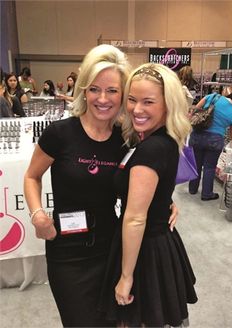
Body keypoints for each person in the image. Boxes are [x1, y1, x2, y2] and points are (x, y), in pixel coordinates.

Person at [23, 45, 178, 327]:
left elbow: (145, 182)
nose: (103, 99)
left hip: (111, 249)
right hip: (67, 252)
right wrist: (37, 214)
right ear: (84, 90)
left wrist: (166, 202)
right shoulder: (60, 134)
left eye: (112, 91)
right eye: (95, 89)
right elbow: (31, 176)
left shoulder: (128, 139)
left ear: (123, 95)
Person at [98, 63, 198, 327]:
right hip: (154, 243)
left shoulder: (151, 148)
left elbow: (135, 218)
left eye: (148, 102)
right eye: (131, 99)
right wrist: (166, 201)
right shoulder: (158, 139)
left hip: (145, 251)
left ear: (167, 104)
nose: (136, 109)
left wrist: (126, 276)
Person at [189, 92, 232, 200]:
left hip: (197, 136)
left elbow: (195, 110)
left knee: (196, 164)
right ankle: (206, 194)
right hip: (215, 140)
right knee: (209, 168)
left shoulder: (213, 96)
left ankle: (192, 189)